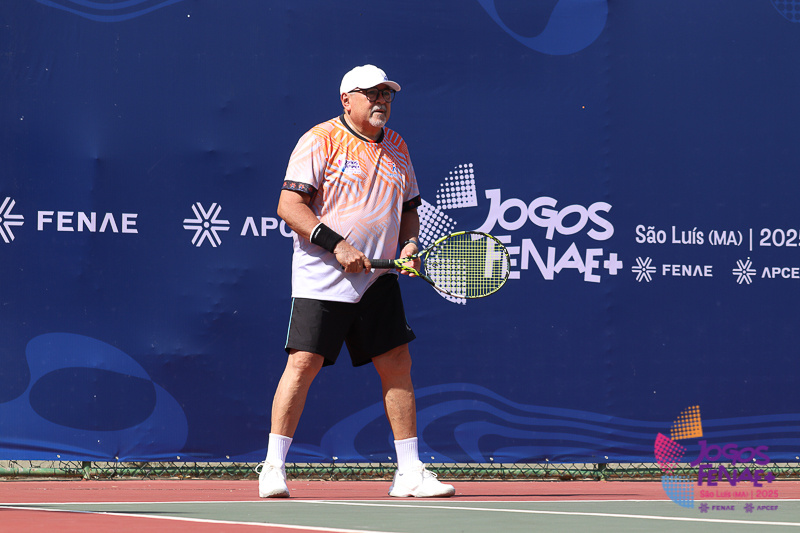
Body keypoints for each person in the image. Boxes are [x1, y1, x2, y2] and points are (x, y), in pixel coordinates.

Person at [257, 65, 455, 499]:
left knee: (397, 363)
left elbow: (409, 210)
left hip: (378, 279)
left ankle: (409, 472)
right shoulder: (320, 139)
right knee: (303, 363)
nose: (381, 101)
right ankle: (272, 468)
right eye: (372, 94)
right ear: (347, 100)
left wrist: (409, 245)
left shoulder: (398, 146)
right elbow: (289, 206)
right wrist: (338, 245)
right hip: (322, 276)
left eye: (387, 94)